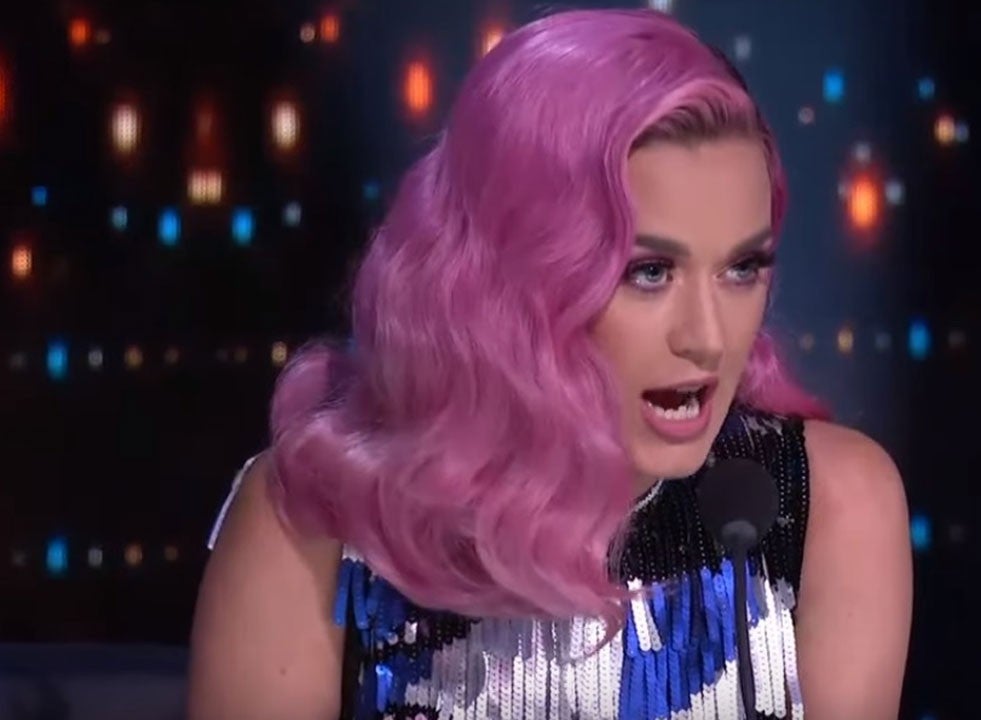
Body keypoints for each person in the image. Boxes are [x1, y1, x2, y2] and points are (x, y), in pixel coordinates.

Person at [187, 8, 911, 720]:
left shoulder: (828, 508)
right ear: (507, 276)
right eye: (649, 273)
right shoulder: (315, 518)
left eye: (741, 268)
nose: (708, 338)